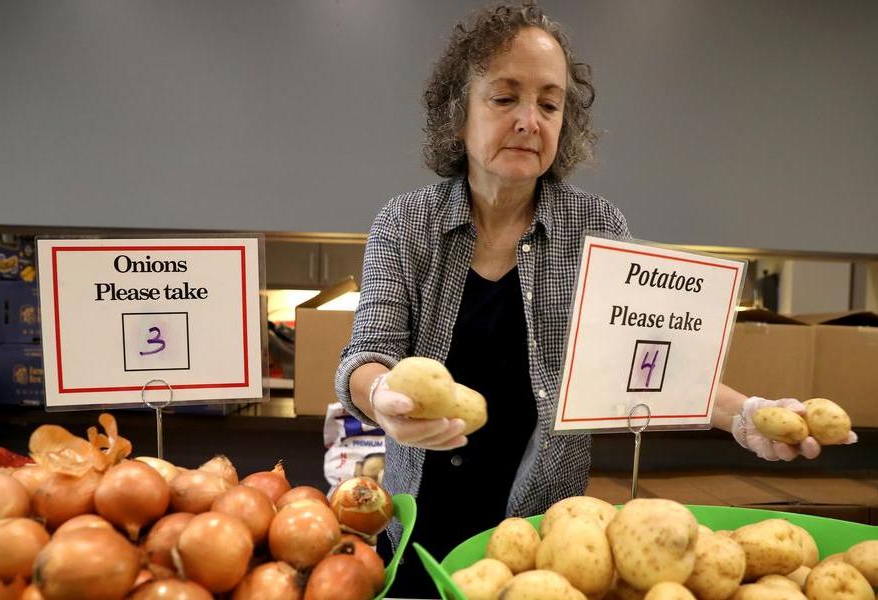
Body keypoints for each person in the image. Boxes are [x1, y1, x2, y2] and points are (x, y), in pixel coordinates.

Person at [334, 4, 856, 597]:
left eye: (550, 104)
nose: (530, 121)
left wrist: (745, 414)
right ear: (459, 115)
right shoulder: (405, 224)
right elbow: (364, 357)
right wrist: (382, 397)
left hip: (550, 542)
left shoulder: (596, 227)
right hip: (420, 529)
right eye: (505, 98)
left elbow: (652, 362)